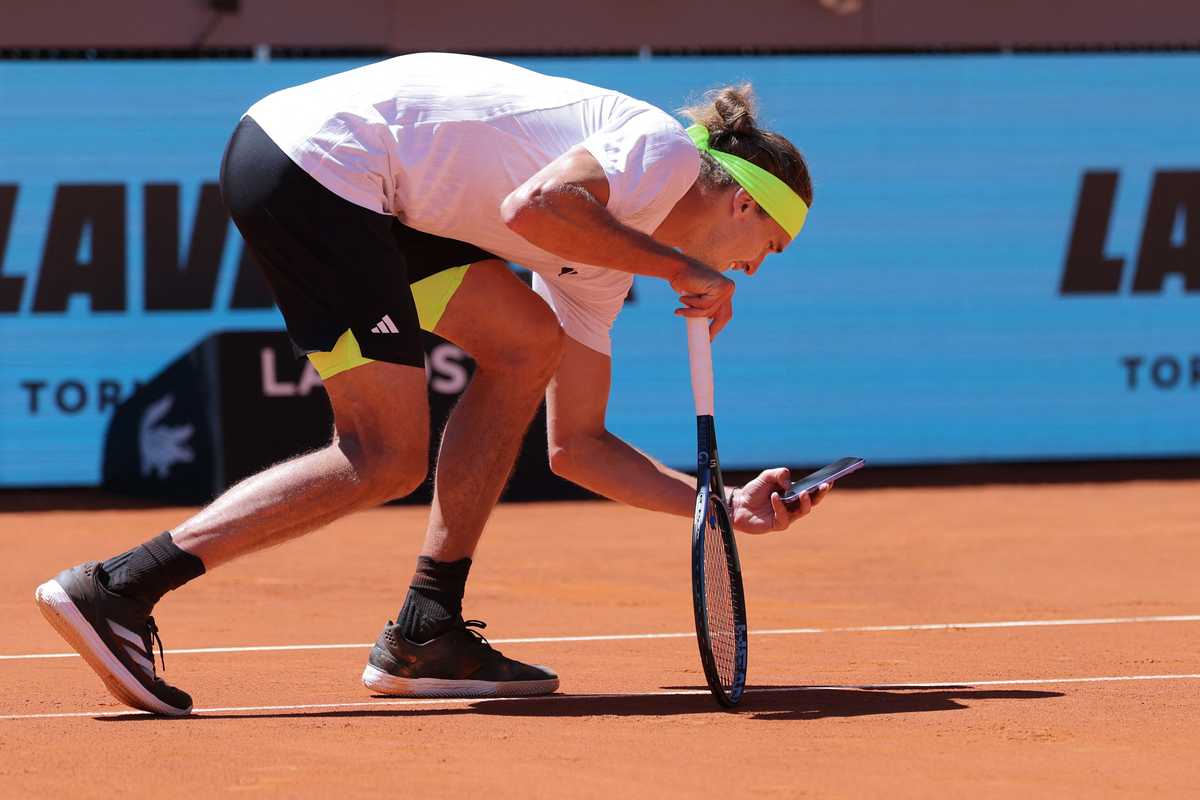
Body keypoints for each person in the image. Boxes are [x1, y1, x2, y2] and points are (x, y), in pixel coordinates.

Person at [34, 53, 829, 715]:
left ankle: (427, 627)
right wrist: (682, 269)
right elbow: (539, 203)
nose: (757, 266)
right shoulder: (663, 152)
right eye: (772, 243)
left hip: (370, 195)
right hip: (318, 164)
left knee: (526, 345)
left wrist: (716, 507)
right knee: (382, 456)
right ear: (736, 198)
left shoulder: (600, 263)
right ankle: (118, 588)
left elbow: (575, 446)